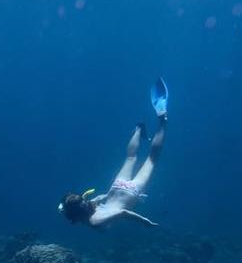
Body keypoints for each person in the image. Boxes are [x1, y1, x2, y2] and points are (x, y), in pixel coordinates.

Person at [59, 78, 168, 229]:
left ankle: (162, 119)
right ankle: (138, 129)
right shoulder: (90, 204)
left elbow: (122, 212)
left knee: (151, 159)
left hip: (132, 192)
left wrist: (145, 222)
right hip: (117, 187)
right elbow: (100, 198)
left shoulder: (93, 221)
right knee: (130, 158)